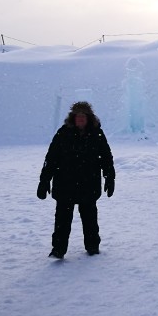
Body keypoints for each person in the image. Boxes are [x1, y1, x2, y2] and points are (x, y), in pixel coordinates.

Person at [37, 101, 116, 259]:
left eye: (83, 116)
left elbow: (106, 158)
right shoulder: (63, 133)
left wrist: (110, 177)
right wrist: (44, 180)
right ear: (73, 118)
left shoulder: (96, 134)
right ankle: (58, 249)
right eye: (77, 116)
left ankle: (92, 247)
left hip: (89, 184)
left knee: (90, 219)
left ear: (88, 118)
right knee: (62, 220)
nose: (80, 119)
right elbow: (51, 158)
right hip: (65, 184)